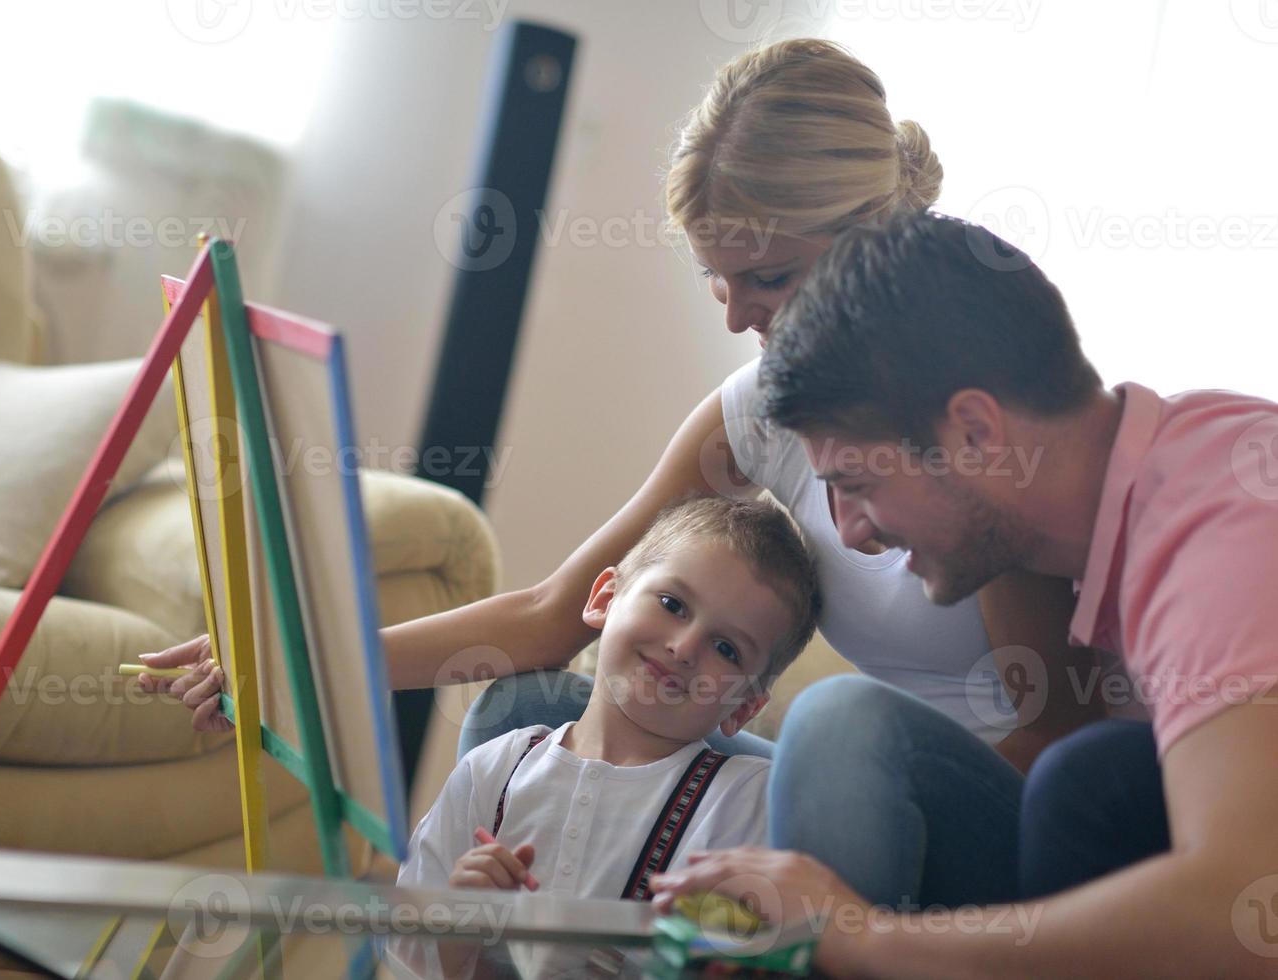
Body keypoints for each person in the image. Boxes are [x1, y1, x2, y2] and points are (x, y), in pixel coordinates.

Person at [140, 39, 1103, 909]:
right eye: (717, 283)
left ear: (869, 245)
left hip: (989, 825)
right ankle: (500, 953)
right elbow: (559, 613)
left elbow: (1055, 743)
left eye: (769, 278)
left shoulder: (979, 427)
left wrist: (806, 833)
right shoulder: (757, 410)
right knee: (535, 708)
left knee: (840, 721)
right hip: (842, 794)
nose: (738, 318)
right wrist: (299, 661)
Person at [650, 209, 1278, 977]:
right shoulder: (1164, 478)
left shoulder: (1223, 531)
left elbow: (1246, 911)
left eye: (857, 483)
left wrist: (859, 936)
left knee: (1084, 780)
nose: (851, 533)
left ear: (974, 431)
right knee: (1083, 782)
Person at [388, 495, 819, 978]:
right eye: (673, 604)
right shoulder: (492, 770)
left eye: (726, 648)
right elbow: (407, 961)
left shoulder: (746, 802)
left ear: (745, 706)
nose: (682, 648)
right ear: (603, 599)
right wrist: (457, 927)